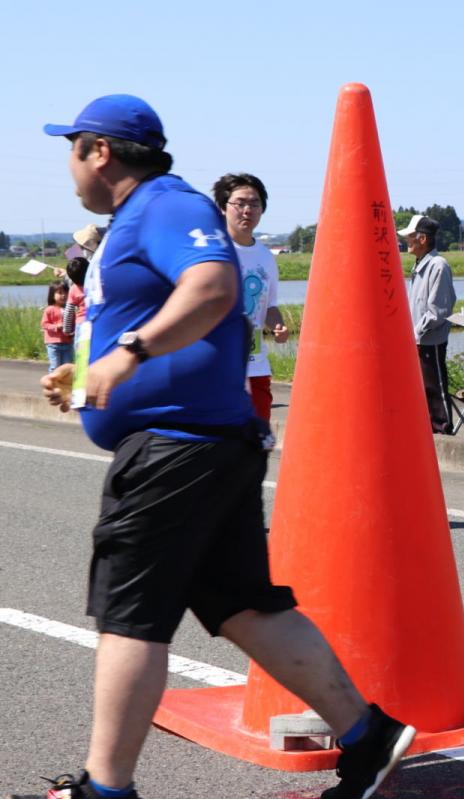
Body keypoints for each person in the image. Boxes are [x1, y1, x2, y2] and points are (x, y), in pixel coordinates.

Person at [24, 94, 414, 799]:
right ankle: (369, 737)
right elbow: (145, 319)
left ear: (100, 151)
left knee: (129, 613)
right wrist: (83, 378)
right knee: (246, 607)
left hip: (177, 448)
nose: (68, 164)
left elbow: (211, 287)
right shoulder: (130, 222)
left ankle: (104, 790)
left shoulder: (163, 206)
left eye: (71, 147)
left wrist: (131, 354)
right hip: (206, 441)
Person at [212, 172, 289, 422]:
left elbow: (269, 306)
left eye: (254, 204)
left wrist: (277, 326)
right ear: (223, 207)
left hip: (255, 366)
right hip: (215, 365)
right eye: (240, 203)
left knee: (255, 444)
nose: (247, 210)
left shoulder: (266, 257)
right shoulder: (211, 250)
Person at [401, 214, 456, 435]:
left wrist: (414, 332)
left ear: (422, 239)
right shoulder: (420, 266)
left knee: (436, 388)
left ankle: (443, 430)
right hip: (418, 339)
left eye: (410, 236)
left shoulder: (438, 266)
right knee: (423, 389)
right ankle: (428, 431)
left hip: (430, 340)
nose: (407, 241)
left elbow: (438, 312)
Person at [41, 278, 74, 371]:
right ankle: (53, 383)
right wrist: (56, 326)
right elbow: (44, 324)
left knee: (67, 367)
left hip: (67, 343)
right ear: (52, 295)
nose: (63, 295)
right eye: (59, 293)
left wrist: (73, 332)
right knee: (55, 366)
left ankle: (64, 384)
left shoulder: (69, 309)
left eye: (65, 293)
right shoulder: (49, 309)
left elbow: (73, 324)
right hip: (53, 343)